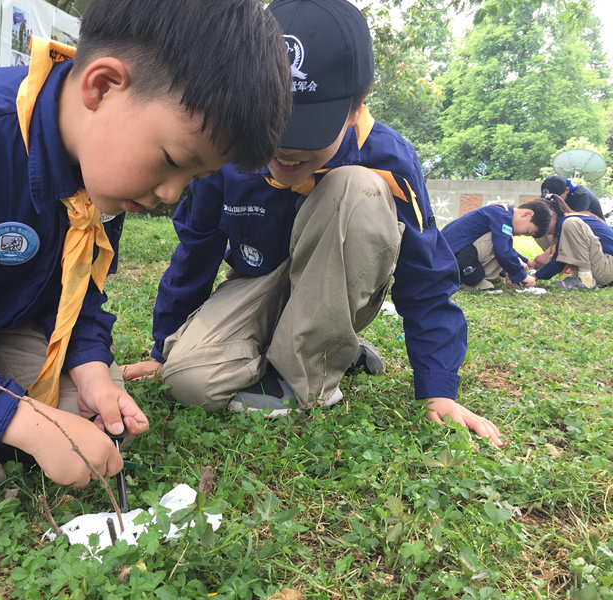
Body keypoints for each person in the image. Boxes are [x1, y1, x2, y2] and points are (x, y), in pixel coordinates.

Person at [0, 0, 292, 519]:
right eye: (174, 161)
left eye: (193, 179)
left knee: (95, 424)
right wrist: (27, 424)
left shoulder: (107, 168)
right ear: (103, 86)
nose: (171, 193)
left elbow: (78, 290)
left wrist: (90, 367)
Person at [124, 0, 504, 447]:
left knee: (356, 189)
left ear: (355, 106)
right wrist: (162, 347)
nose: (283, 150)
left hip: (340, 281)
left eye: (306, 128)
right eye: (268, 124)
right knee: (188, 382)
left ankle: (305, 372)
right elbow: (196, 251)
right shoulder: (228, 148)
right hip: (258, 283)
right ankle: (336, 349)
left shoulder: (387, 157)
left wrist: (438, 388)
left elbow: (426, 278)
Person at [441, 201, 555, 290]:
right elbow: (503, 251)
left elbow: (505, 248)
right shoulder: (502, 217)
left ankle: (485, 277)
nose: (520, 235)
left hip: (449, 258)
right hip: (452, 262)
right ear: (527, 214)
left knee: (502, 240)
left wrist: (514, 267)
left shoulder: (499, 213)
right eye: (527, 232)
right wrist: (521, 275)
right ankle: (474, 282)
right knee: (502, 241)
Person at [531, 194, 613, 290]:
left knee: (570, 223)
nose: (542, 228)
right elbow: (557, 262)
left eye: (541, 222)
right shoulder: (562, 223)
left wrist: (534, 276)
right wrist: (534, 276)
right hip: (602, 267)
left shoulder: (570, 222)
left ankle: (585, 281)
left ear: (552, 215)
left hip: (607, 270)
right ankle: (580, 278)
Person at [541, 175, 605, 220]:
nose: (552, 202)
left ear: (567, 190)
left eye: (555, 198)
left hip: (595, 233)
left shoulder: (582, 195)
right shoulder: (564, 194)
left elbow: (576, 221)